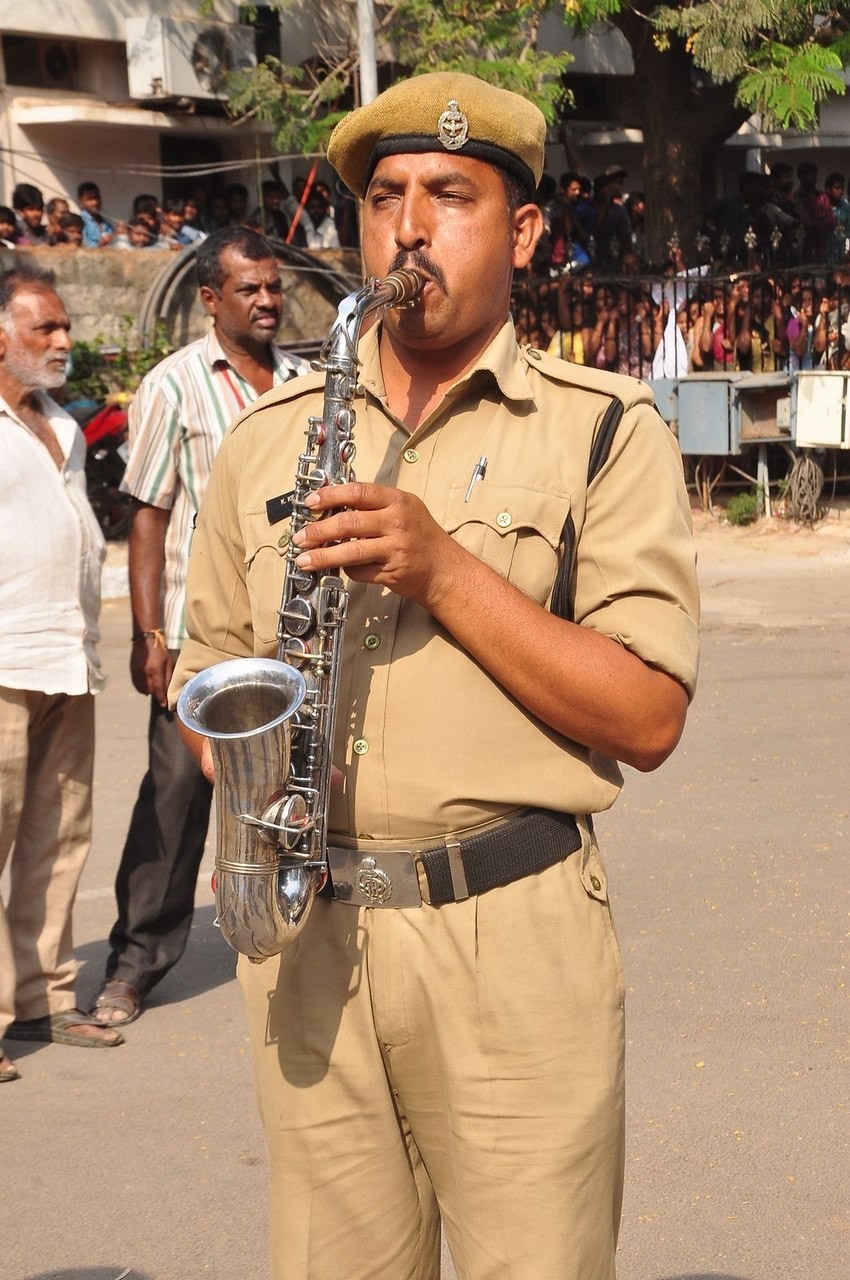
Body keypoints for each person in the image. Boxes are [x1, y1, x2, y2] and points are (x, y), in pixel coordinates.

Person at [171, 72, 700, 1280]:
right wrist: (257, 768)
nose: (409, 225)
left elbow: (648, 713)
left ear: (519, 229)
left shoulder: (605, 428)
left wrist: (446, 574)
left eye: (449, 195)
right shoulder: (268, 435)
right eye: (384, 198)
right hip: (308, 940)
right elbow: (208, 682)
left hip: (510, 940)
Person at [90, 227, 310, 1028]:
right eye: (247, 289)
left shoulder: (305, 382)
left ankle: (287, 927)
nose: (266, 300)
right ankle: (135, 962)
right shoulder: (174, 386)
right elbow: (146, 515)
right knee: (179, 796)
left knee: (294, 787)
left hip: (288, 636)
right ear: (211, 300)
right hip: (198, 638)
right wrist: (151, 637)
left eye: (273, 286)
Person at [0, 265, 124, 1083]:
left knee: (59, 837)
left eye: (64, 326)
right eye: (44, 328)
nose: (62, 342)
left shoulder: (65, 428)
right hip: (2, 660)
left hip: (68, 656)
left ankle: (43, 998)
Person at [77, 182, 113, 247]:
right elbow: (84, 246)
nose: (95, 202)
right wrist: (100, 244)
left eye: (97, 198)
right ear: (81, 202)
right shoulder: (80, 222)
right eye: (89, 199)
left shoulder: (104, 222)